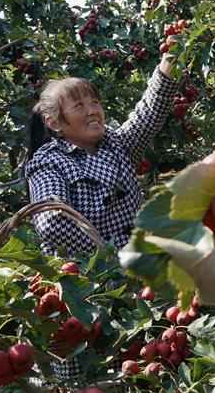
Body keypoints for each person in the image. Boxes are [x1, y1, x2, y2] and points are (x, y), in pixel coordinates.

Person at [25, 53, 180, 258]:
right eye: (79, 106)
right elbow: (52, 223)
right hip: (84, 275)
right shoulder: (49, 163)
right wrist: (109, 253)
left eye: (95, 102)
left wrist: (169, 61)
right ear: (54, 122)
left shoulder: (117, 145)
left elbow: (150, 113)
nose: (92, 111)